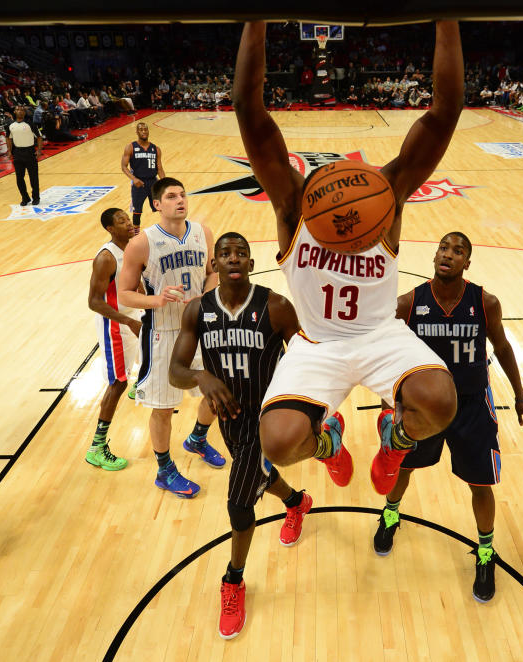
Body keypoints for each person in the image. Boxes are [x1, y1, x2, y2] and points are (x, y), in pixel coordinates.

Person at [232, 21, 462, 495]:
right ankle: (328, 445)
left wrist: (448, 19)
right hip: (318, 344)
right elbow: (249, 112)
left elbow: (444, 113)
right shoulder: (293, 208)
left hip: (381, 337)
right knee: (277, 444)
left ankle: (394, 441)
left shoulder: (391, 197)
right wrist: (255, 21)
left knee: (440, 403)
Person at [372, 232, 523, 602]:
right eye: (443, 248)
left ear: (467, 263)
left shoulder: (484, 302)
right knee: (404, 468)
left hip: (472, 405)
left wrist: (521, 396)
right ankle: (391, 515)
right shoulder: (410, 302)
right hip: (423, 406)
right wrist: (388, 398)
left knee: (481, 484)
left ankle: (486, 551)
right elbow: (384, 351)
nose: (448, 254)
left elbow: (503, 347)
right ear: (435, 256)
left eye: (458, 251)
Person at [169, 232, 312, 639]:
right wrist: (200, 376)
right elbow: (175, 369)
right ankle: (298, 502)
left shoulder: (276, 307)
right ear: (214, 264)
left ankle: (233, 580)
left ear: (251, 262)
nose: (234, 258)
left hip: (268, 418)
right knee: (257, 476)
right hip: (231, 420)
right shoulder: (198, 310)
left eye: (241, 253)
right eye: (225, 253)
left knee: (238, 502)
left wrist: (304, 412)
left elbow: (306, 360)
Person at [117, 177, 224, 498]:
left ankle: (198, 439)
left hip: (200, 328)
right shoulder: (142, 243)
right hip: (162, 333)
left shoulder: (203, 233)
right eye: (172, 196)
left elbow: (213, 272)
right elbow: (124, 295)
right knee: (163, 408)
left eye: (183, 195)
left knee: (217, 394)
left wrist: (206, 297)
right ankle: (164, 470)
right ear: (156, 205)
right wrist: (156, 300)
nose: (180, 200)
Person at [86, 208, 142, 471]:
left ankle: (140, 384)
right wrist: (129, 321)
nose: (128, 223)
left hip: (132, 316)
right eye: (121, 221)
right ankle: (97, 447)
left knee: (154, 349)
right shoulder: (106, 258)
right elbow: (94, 302)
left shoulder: (131, 247)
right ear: (110, 228)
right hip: (115, 327)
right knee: (117, 383)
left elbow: (135, 281)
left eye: (127, 218)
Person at [121, 121, 165, 228]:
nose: (144, 131)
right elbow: (123, 166)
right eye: (141, 129)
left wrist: (165, 183)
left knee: (162, 208)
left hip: (153, 182)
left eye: (145, 129)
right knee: (137, 212)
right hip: (138, 183)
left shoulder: (156, 149)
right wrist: (134, 179)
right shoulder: (130, 147)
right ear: (137, 132)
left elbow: (159, 168)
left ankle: (168, 229)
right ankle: (136, 235)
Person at [8, 106, 42, 206]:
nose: (20, 111)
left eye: (22, 110)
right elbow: (8, 138)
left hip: (30, 152)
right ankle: (25, 197)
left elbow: (39, 137)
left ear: (24, 112)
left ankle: (36, 197)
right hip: (17, 152)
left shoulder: (30, 124)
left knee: (33, 177)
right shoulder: (10, 125)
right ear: (14, 111)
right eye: (18, 109)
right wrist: (9, 151)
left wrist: (39, 150)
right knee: (19, 178)